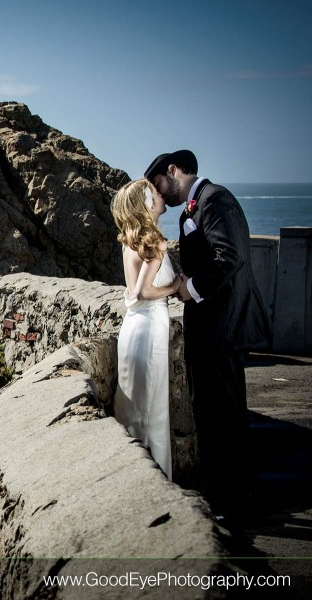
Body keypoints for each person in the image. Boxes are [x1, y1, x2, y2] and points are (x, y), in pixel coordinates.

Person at [144, 150, 271, 522]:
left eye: (158, 186)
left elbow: (229, 257)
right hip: (209, 326)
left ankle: (234, 502)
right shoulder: (193, 209)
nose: (160, 195)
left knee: (226, 415)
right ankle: (223, 497)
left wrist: (191, 287)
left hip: (224, 326)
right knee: (210, 412)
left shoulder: (216, 200)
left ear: (173, 171)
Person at [111, 179, 183, 480]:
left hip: (133, 329)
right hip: (149, 326)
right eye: (155, 193)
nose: (162, 194)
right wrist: (176, 286)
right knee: (152, 410)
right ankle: (157, 484)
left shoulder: (132, 240)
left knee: (135, 410)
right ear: (147, 205)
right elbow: (143, 291)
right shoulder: (153, 241)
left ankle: (131, 478)